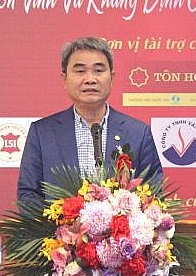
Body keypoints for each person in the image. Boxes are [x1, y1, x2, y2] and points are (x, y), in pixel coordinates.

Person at [16, 37, 162, 206]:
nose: (90, 79)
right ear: (64, 78)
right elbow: (28, 195)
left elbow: (154, 194)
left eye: (98, 70)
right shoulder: (42, 133)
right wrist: (61, 221)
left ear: (112, 77)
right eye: (80, 71)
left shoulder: (138, 133)